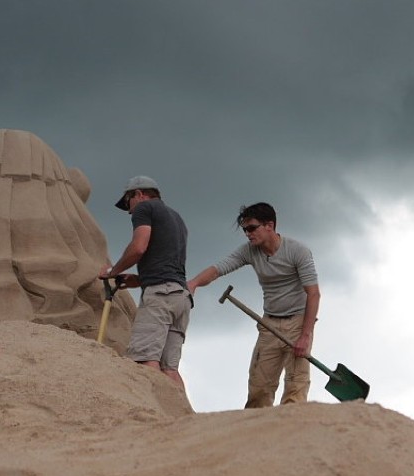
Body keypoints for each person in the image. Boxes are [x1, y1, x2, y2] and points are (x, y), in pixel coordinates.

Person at [188, 202, 320, 408]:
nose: (248, 234)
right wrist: (193, 283)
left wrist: (305, 335)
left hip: (298, 323)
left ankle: (290, 433)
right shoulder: (249, 251)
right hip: (269, 324)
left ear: (270, 225)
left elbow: (313, 294)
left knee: (296, 387)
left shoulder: (298, 251)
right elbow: (218, 269)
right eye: (244, 230)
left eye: (252, 228)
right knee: (259, 389)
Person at [100, 175, 192, 390]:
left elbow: (139, 246)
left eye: (128, 202)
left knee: (145, 360)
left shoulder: (145, 209)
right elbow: (168, 265)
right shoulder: (176, 218)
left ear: (139, 194)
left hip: (161, 296)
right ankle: (187, 420)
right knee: (169, 368)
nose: (130, 210)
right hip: (181, 296)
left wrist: (113, 271)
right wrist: (139, 280)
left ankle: (158, 419)